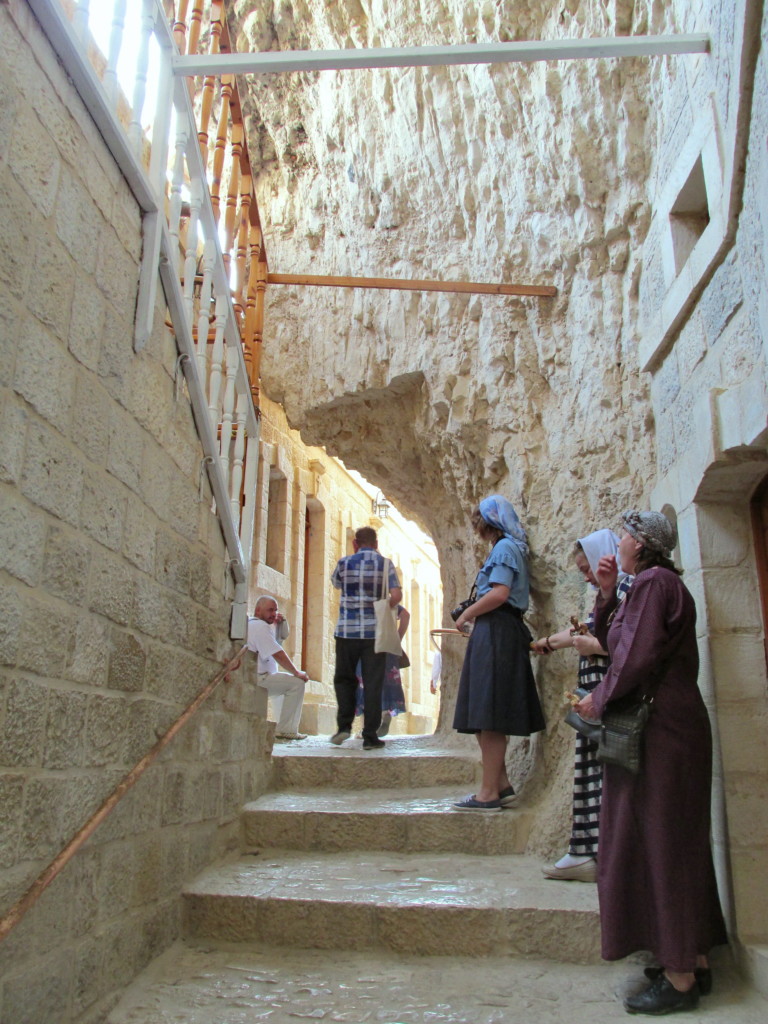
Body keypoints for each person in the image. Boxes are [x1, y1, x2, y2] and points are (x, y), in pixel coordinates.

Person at [575, 510, 727, 1015]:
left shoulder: (653, 583)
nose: (618, 541)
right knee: (678, 840)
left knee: (662, 841)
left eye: (624, 534)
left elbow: (635, 656)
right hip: (672, 725)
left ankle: (679, 978)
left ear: (640, 544)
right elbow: (615, 641)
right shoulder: (651, 585)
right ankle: (693, 959)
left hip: (660, 730)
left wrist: (599, 699)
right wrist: (605, 593)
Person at [531, 529, 632, 882]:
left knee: (602, 779)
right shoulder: (608, 595)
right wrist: (545, 642)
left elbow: (628, 642)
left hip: (607, 697)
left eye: (587, 568)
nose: (587, 576)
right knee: (591, 776)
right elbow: (583, 632)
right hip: (595, 697)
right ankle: (588, 852)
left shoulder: (626, 590)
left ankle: (599, 855)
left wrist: (595, 648)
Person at [452, 495, 545, 811]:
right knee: (483, 712)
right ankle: (501, 785)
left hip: (497, 632)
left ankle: (488, 793)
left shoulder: (504, 548)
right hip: (498, 631)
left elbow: (500, 593)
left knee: (488, 715)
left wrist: (467, 615)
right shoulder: (509, 547)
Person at [331, 526, 402, 750]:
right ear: (376, 543)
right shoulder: (386, 564)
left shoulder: (344, 563)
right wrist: (383, 607)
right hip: (374, 634)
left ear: (355, 543)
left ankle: (344, 727)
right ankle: (370, 736)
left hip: (346, 631)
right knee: (373, 683)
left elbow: (336, 584)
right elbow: (396, 595)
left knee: (344, 679)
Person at [245, 595, 309, 741]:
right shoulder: (260, 627)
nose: (274, 614)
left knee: (283, 683)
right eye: (270, 610)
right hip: (259, 678)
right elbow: (278, 654)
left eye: (275, 610)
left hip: (259, 676)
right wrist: (296, 672)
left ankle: (282, 727)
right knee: (297, 683)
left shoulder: (254, 624)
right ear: (258, 610)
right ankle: (287, 730)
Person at [354, 605, 411, 737]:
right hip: (387, 648)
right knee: (386, 684)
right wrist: (397, 639)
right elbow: (406, 615)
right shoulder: (386, 601)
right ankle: (385, 713)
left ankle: (367, 729)